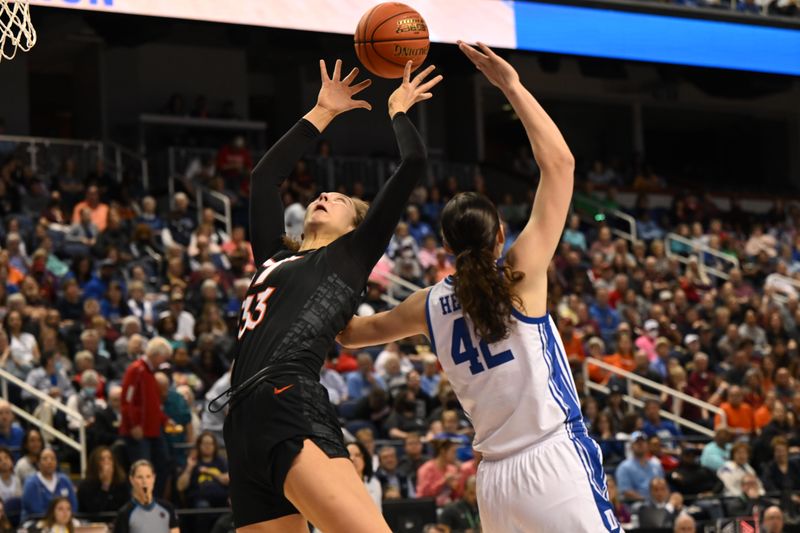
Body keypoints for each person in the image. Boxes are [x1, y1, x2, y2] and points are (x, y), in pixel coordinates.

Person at [338, 42, 619, 532]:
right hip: (553, 462)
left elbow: (347, 333)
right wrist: (510, 85)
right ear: (502, 236)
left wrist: (324, 256)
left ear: (446, 244)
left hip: (493, 485)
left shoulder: (426, 305)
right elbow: (560, 166)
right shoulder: (520, 277)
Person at [216, 58, 440, 533]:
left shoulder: (350, 256)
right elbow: (263, 179)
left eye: (339, 200)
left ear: (356, 226)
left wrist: (398, 110)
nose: (324, 196)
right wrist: (320, 113)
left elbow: (413, 163)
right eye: (322, 194)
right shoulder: (274, 256)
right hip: (241, 420)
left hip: (288, 398)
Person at [119, 337, 173, 497]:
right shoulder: (136, 370)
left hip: (153, 430)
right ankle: (142, 501)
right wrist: (134, 424)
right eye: (163, 358)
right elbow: (126, 400)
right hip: (140, 432)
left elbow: (153, 406)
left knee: (163, 464)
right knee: (142, 470)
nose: (164, 362)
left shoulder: (150, 374)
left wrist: (165, 419)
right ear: (156, 355)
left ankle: (153, 500)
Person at [176, 432, 229, 532]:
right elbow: (180, 487)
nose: (207, 446)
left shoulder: (221, 461)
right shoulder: (193, 462)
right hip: (200, 500)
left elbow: (227, 480)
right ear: (199, 445)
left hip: (222, 499)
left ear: (214, 446)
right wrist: (189, 468)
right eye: (204, 443)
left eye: (210, 443)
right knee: (203, 507)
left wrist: (209, 472)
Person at [114, 460, 179, 533]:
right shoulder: (125, 514)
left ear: (154, 478)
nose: (144, 481)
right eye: (140, 477)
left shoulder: (167, 508)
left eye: (148, 476)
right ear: (131, 479)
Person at [20, 449, 77, 523]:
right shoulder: (31, 483)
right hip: (36, 520)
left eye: (53, 459)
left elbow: (73, 505)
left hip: (63, 520)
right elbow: (35, 510)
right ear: (38, 463)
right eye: (45, 459)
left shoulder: (64, 480)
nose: (49, 462)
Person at [76, 446, 129, 518]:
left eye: (110, 458)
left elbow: (125, 508)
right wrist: (105, 484)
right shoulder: (85, 486)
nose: (107, 462)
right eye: (102, 459)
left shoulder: (122, 484)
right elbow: (94, 510)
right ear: (95, 463)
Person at [615, 431, 665, 502]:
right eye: (637, 442)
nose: (640, 444)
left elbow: (663, 485)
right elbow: (626, 491)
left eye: (643, 442)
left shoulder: (656, 464)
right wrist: (646, 500)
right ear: (631, 446)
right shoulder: (624, 467)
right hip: (636, 504)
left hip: (658, 502)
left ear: (647, 445)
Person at [416, 439, 461, 507]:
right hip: (427, 507)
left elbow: (456, 496)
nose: (455, 455)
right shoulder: (426, 469)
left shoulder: (452, 469)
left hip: (447, 507)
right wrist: (443, 481)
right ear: (443, 451)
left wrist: (455, 487)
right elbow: (424, 495)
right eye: (453, 452)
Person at [346, 441, 381, 512]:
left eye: (357, 455)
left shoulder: (374, 483)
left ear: (364, 459)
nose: (352, 458)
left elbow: (379, 512)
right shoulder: (337, 484)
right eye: (349, 455)